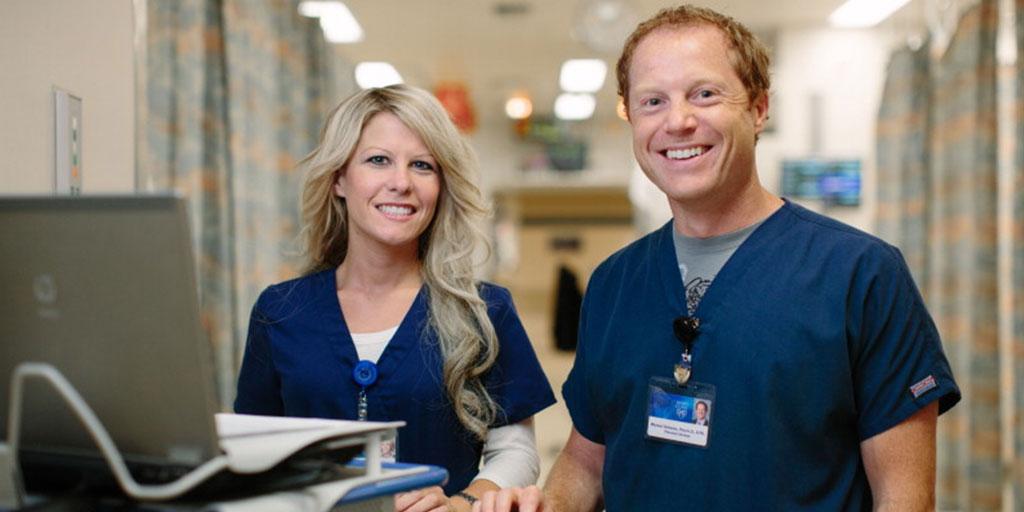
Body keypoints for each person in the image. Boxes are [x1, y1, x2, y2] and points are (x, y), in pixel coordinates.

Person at [476, 5, 960, 511]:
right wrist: (541, 506)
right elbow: (588, 460)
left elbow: (904, 499)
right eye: (652, 101)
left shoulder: (861, 276)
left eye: (704, 94)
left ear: (757, 107)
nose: (678, 121)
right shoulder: (614, 283)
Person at [233, 84, 556, 512]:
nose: (401, 182)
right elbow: (250, 451)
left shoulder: (485, 311)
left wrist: (462, 504)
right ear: (339, 179)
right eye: (378, 160)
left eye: (422, 165)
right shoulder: (281, 312)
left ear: (440, 187)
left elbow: (514, 451)